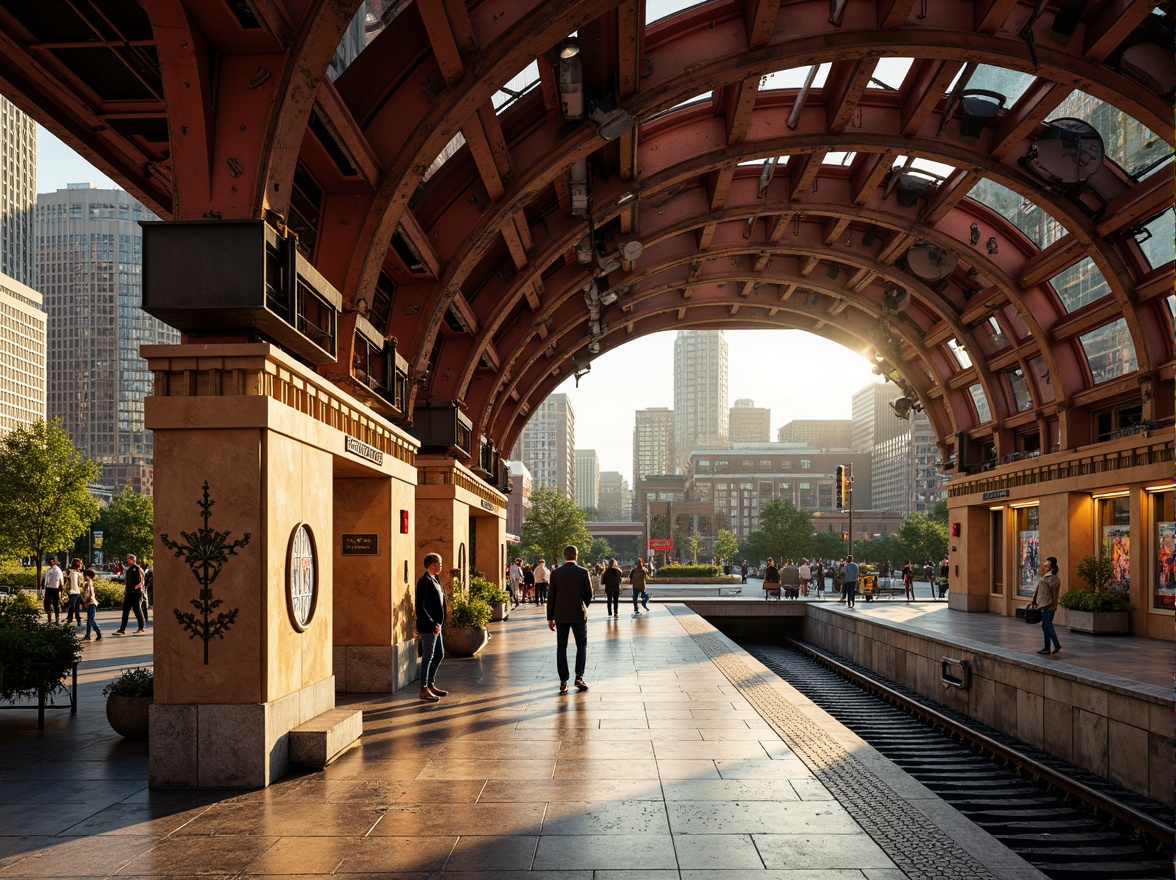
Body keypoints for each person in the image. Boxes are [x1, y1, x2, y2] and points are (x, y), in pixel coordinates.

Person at [547, 545, 592, 694]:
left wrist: (550, 617)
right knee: (581, 645)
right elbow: (589, 594)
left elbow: (551, 597)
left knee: (562, 646)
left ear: (564, 556)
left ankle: (563, 680)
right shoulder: (583, 572)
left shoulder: (556, 574)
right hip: (578, 614)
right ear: (576, 556)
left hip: (561, 615)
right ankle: (579, 677)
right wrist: (582, 604)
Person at [415, 552, 448, 701]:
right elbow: (420, 606)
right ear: (432, 564)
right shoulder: (424, 581)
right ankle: (423, 689)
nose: (440, 566)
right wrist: (431, 623)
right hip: (429, 626)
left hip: (437, 625)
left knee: (439, 654)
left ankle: (430, 684)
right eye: (439, 563)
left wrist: (440, 622)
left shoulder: (435, 579)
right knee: (427, 656)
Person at [1029, 556, 1062, 655]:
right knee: (1045, 626)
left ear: (1052, 567)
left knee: (1048, 625)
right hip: (1044, 605)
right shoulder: (1046, 577)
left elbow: (1054, 593)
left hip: (1048, 605)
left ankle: (1056, 644)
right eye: (1044, 565)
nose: (1044, 567)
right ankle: (1047, 647)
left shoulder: (1052, 579)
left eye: (1047, 565)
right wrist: (1035, 601)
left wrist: (1049, 603)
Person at [114, 554, 146, 635]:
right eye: (128, 558)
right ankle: (122, 629)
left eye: (130, 559)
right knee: (125, 610)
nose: (128, 560)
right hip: (129, 592)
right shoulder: (129, 569)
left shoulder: (137, 568)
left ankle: (141, 627)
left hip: (135, 593)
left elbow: (140, 581)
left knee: (137, 610)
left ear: (134, 559)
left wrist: (136, 587)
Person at [81, 567, 101, 641]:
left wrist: (84, 601)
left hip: (91, 603)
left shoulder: (87, 583)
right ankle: (88, 635)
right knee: (89, 620)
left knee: (91, 620)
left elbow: (87, 593)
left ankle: (98, 632)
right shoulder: (90, 582)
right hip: (91, 603)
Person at [42, 558, 64, 623]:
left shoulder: (57, 570)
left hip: (53, 588)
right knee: (51, 603)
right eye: (49, 561)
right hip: (51, 588)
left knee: (52, 603)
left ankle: (55, 618)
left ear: (54, 562)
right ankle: (51, 617)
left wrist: (61, 586)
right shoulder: (49, 570)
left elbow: (61, 579)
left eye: (51, 561)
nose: (49, 562)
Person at [64, 558, 84, 626]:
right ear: (76, 564)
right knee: (73, 605)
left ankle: (76, 618)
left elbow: (81, 583)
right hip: (73, 591)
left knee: (76, 606)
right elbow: (66, 578)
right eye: (80, 563)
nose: (81, 564)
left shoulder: (79, 573)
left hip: (78, 591)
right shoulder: (71, 572)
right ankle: (72, 618)